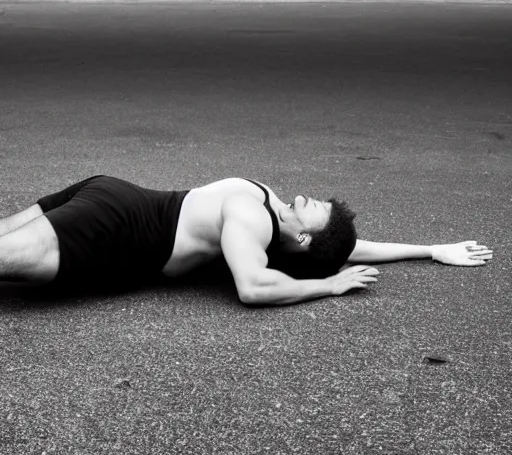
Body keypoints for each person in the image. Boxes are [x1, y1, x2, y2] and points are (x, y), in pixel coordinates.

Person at [0, 175, 492, 304]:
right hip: (114, 220)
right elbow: (256, 285)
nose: (306, 197)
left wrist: (432, 250)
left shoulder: (264, 220)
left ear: (301, 236)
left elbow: (342, 251)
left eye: (315, 208)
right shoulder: (256, 221)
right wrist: (329, 284)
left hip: (110, 205)